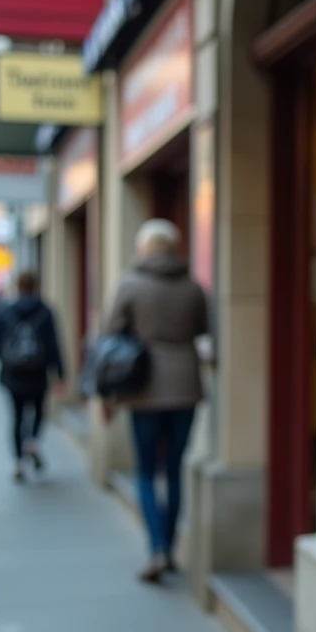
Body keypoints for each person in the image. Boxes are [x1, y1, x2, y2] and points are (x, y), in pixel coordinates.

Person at [104, 219, 208, 583]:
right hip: (184, 386)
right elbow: (203, 328)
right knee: (174, 468)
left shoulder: (130, 283)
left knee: (146, 470)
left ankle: (158, 548)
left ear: (144, 248)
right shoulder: (193, 286)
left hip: (143, 385)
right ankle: (169, 546)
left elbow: (111, 331)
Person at [0, 270, 65, 482]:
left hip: (13, 372)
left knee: (16, 416)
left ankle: (18, 462)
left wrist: (5, 358)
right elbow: (53, 344)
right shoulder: (45, 311)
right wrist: (60, 373)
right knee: (39, 411)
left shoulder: (6, 310)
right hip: (38, 371)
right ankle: (31, 441)